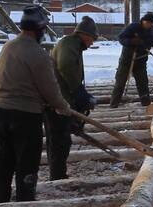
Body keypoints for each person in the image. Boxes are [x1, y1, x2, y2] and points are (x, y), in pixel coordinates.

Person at [0, 5, 71, 203]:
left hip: (0, 112)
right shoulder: (38, 54)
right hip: (25, 116)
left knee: (4, 159)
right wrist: (64, 107)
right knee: (27, 162)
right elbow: (50, 90)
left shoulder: (8, 47)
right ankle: (25, 203)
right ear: (40, 29)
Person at [45, 16, 98, 180]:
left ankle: (58, 174)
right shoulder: (69, 44)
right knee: (59, 141)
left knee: (61, 140)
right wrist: (78, 92)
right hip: (56, 102)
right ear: (85, 35)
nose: (92, 43)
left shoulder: (73, 45)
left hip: (61, 100)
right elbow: (66, 66)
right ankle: (57, 176)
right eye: (93, 39)